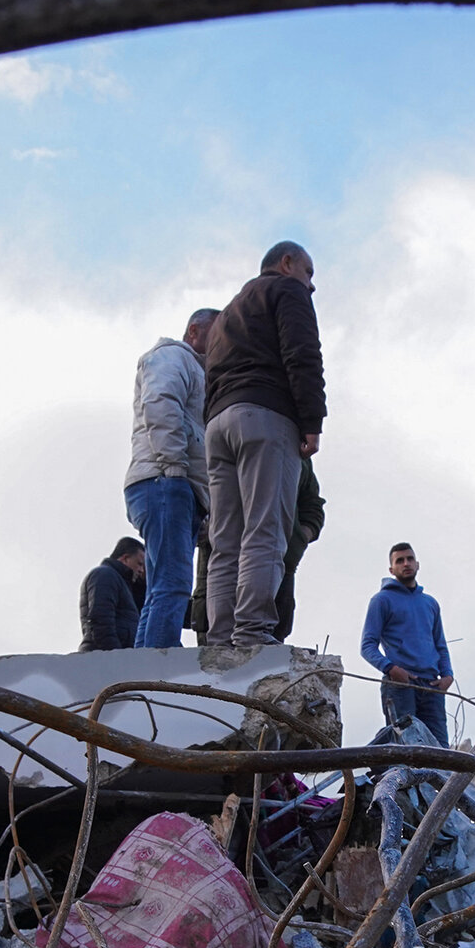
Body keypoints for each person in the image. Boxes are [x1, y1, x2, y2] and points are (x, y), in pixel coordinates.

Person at [202, 241, 326, 649]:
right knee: (265, 529)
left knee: (225, 540)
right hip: (265, 416)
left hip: (218, 425)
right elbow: (302, 353)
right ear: (287, 263)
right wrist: (311, 420)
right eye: (309, 274)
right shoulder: (285, 291)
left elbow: (211, 375)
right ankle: (252, 631)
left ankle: (220, 639)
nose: (310, 287)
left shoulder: (225, 315)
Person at [125, 309, 219, 648]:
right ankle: (158, 671)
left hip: (166, 482)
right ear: (194, 331)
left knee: (161, 586)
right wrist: (175, 467)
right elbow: (160, 404)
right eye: (218, 335)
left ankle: (144, 665)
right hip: (164, 481)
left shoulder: (193, 368)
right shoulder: (172, 357)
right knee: (173, 583)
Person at [361, 543, 453, 743]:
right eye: (400, 561)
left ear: (417, 564)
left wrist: (448, 675)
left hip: (431, 686)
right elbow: (367, 646)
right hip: (400, 685)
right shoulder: (381, 600)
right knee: (406, 750)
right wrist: (391, 669)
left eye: (410, 559)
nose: (406, 564)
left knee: (440, 750)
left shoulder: (430, 603)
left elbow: (440, 644)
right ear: (391, 569)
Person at [274, 459, 327, 642]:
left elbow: (312, 504)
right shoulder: (219, 433)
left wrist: (301, 535)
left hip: (283, 562)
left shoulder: (298, 453)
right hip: (227, 563)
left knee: (273, 647)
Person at [79, 537, 147, 651]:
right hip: (105, 659)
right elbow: (100, 620)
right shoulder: (105, 575)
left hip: (113, 659)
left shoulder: (125, 586)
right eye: (139, 564)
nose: (141, 570)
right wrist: (115, 656)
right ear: (125, 558)